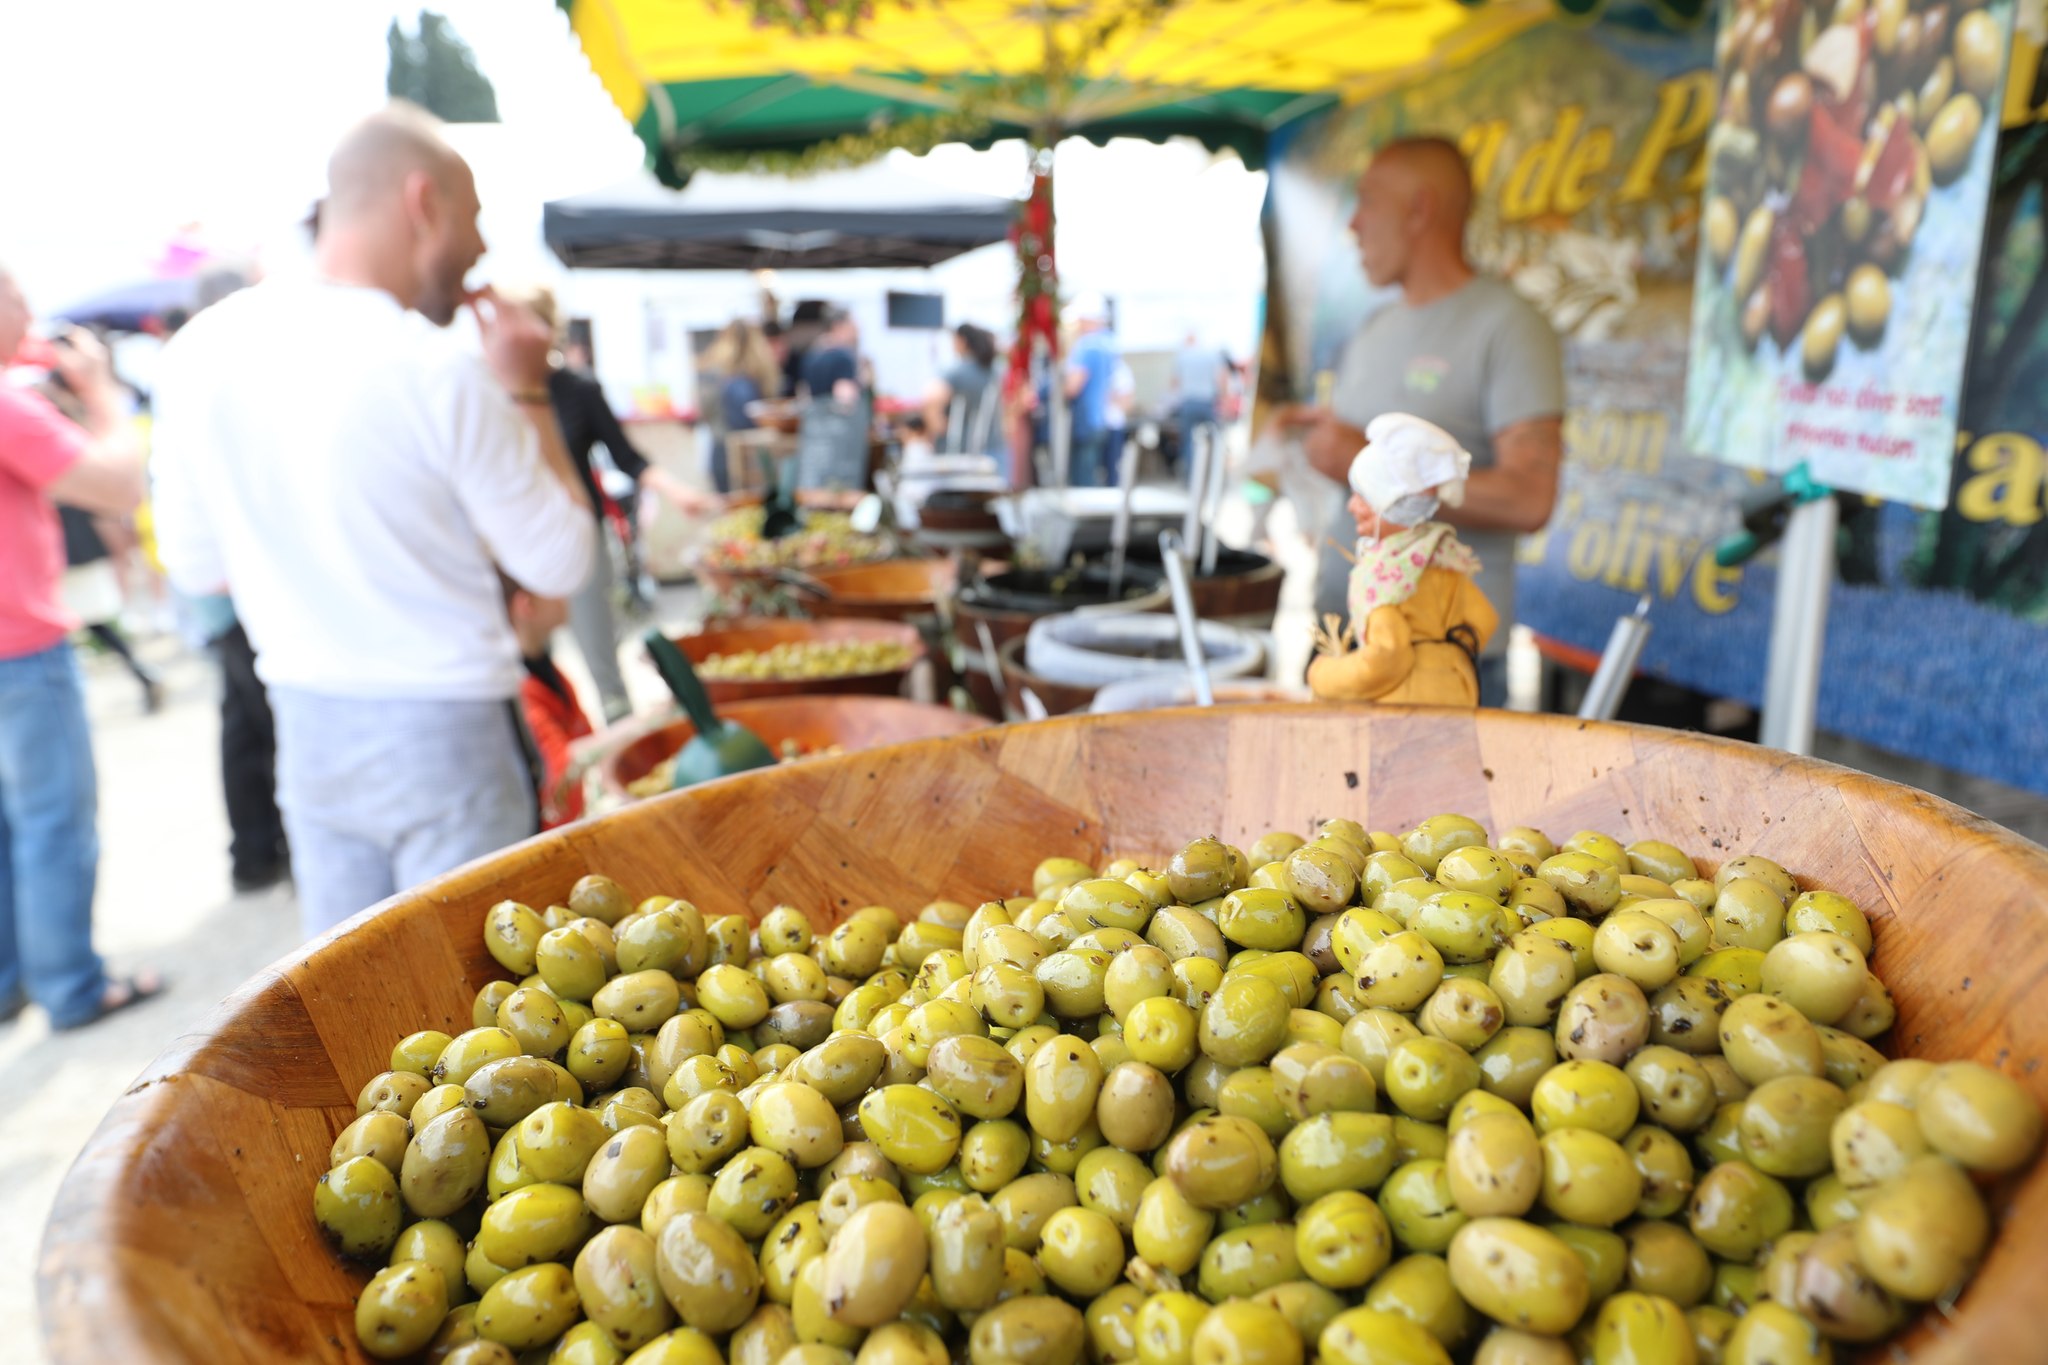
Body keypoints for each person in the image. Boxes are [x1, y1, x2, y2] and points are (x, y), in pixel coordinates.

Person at [151, 102, 597, 938]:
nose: (480, 248)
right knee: (473, 1002)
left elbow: (195, 565)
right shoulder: (439, 367)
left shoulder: (199, 353)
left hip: (308, 724)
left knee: (354, 996)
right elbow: (562, 561)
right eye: (473, 218)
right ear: (422, 202)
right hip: (449, 725)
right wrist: (531, 391)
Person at [1284, 137, 1564, 708]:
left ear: (1420, 210)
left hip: (1439, 660)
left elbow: (1531, 497)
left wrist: (1365, 469)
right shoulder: (1373, 327)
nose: (1354, 225)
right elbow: (1356, 445)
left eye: (1367, 202)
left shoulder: (1508, 325)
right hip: (1339, 638)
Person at [0, 267, 166, 1029]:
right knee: (54, 819)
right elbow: (116, 486)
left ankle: (13, 981)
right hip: (21, 646)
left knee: (12, 824)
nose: (30, 313)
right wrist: (101, 394)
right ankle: (71, 984)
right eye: (19, 299)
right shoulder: (8, 403)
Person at [501, 284, 712, 725]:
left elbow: (627, 457)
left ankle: (626, 756)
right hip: (517, 544)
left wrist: (677, 493)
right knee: (529, 668)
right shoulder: (492, 394)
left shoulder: (577, 389)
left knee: (600, 656)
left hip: (581, 538)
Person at [1308, 415, 1498, 706]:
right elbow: (1483, 617)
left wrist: (1324, 673)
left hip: (1405, 704)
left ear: (1387, 507)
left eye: (1361, 498)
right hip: (1460, 690)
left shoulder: (1383, 577)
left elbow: (1387, 658)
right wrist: (1445, 657)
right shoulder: (1439, 555)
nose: (1351, 506)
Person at [504, 577, 593, 829]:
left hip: (572, 822)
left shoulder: (549, 670)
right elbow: (565, 761)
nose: (566, 594)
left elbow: (586, 736)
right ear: (526, 605)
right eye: (554, 588)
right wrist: (648, 721)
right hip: (547, 838)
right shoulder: (520, 690)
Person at [59, 504, 163, 712]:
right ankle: (141, 672)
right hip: (73, 553)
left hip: (67, 557)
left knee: (85, 625)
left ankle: (142, 672)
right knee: (92, 624)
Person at [701, 318, 784, 494]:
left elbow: (703, 412)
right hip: (743, 459)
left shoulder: (714, 375)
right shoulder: (741, 383)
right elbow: (748, 423)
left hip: (719, 453)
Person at [1062, 293, 1120, 487]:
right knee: (1092, 472)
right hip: (1099, 417)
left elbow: (1073, 387)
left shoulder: (1087, 346)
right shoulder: (1108, 343)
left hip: (1086, 420)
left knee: (1083, 479)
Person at [923, 323, 997, 455]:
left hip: (958, 451)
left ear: (962, 341)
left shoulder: (958, 372)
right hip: (991, 447)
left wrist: (937, 424)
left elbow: (931, 397)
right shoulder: (992, 371)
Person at [1170, 327, 1230, 483]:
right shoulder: (1211, 355)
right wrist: (1223, 400)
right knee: (1216, 439)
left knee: (1188, 442)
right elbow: (1221, 379)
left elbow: (1175, 383)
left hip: (1189, 403)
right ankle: (1215, 477)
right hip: (1207, 402)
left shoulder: (1182, 357)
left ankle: (1191, 479)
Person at [800, 307, 861, 402]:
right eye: (851, 326)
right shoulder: (842, 356)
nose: (855, 331)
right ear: (838, 326)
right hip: (835, 415)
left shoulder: (812, 353)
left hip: (815, 412)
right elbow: (845, 396)